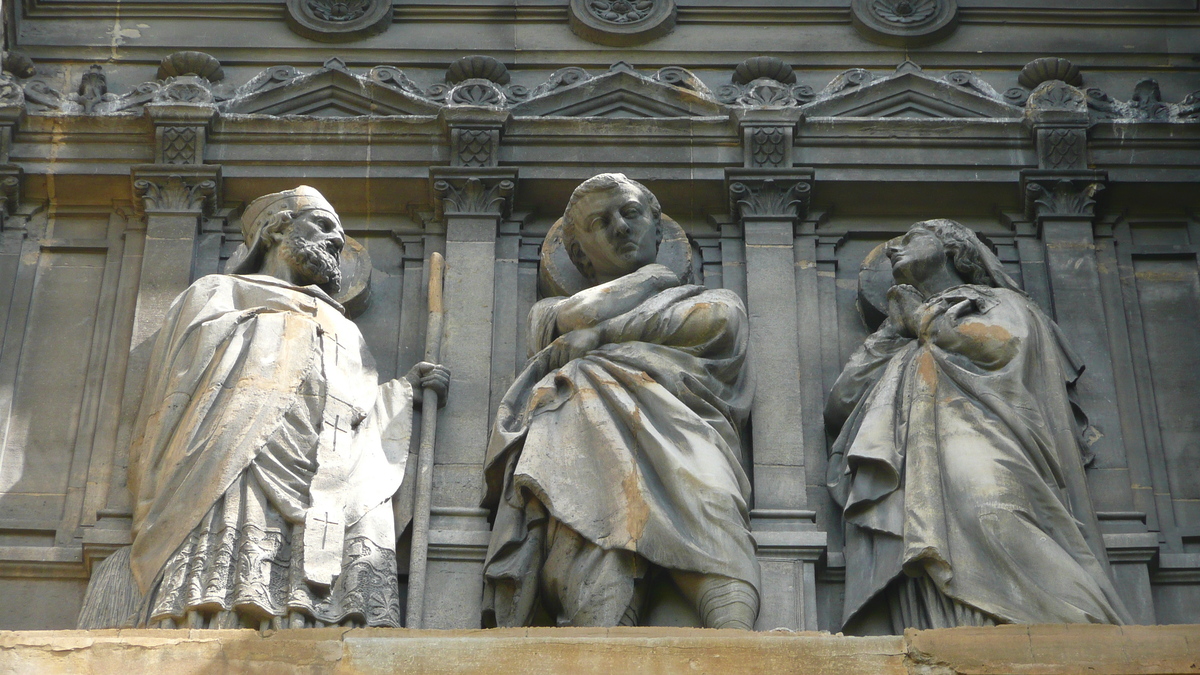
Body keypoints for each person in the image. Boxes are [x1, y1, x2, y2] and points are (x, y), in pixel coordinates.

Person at [77, 186, 448, 630]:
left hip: (322, 460)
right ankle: (216, 617)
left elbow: (355, 407)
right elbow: (183, 371)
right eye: (323, 225)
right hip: (240, 442)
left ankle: (307, 620)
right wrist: (284, 329)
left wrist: (403, 393)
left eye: (338, 232)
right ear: (275, 230)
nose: (335, 239)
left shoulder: (342, 325)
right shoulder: (220, 291)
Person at [825, 219, 1131, 634]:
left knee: (993, 512)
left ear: (954, 248)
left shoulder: (997, 302)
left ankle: (1086, 628)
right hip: (913, 459)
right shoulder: (898, 333)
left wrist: (921, 319)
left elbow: (998, 346)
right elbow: (842, 402)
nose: (894, 248)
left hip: (985, 435)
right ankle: (959, 634)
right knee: (922, 544)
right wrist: (892, 333)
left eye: (912, 238)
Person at [482, 173, 760, 629]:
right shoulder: (548, 313)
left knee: (711, 501)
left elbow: (718, 323)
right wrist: (651, 279)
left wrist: (602, 335)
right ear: (578, 254)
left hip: (687, 427)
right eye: (600, 222)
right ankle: (601, 641)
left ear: (657, 226)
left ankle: (737, 640)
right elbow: (578, 314)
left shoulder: (712, 300)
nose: (621, 227)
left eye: (631, 213)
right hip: (589, 434)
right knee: (596, 525)